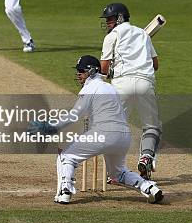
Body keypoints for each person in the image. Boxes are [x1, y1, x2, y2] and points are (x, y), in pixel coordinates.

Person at [27, 55, 164, 205]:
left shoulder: (90, 87)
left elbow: (75, 114)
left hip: (103, 133)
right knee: (117, 174)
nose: (78, 74)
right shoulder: (110, 88)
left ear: (91, 71)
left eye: (81, 71)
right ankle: (149, 187)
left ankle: (64, 192)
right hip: (123, 136)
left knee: (66, 156)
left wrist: (50, 127)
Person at [99, 3, 161, 179]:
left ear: (119, 18)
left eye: (110, 19)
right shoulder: (143, 34)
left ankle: (116, 172)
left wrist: (110, 71)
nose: (108, 23)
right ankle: (147, 156)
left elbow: (103, 69)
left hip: (121, 85)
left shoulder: (112, 36)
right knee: (151, 126)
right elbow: (155, 65)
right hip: (145, 83)